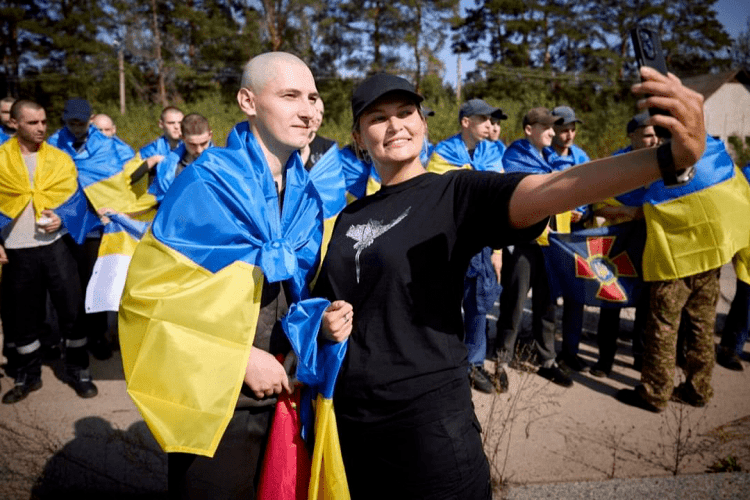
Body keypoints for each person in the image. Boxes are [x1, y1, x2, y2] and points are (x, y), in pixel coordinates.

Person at [313, 69, 706, 499]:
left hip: (428, 428)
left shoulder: (454, 193)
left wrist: (668, 159)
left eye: (406, 112)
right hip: (352, 424)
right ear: (357, 135)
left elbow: (553, 188)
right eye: (377, 118)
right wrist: (327, 320)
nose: (395, 126)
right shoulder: (350, 217)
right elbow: (333, 298)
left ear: (424, 123)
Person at [119, 52, 341, 499]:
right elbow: (149, 299)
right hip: (217, 396)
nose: (308, 110)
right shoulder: (205, 183)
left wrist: (320, 323)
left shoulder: (307, 195)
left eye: (313, 97)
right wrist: (238, 359)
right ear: (248, 100)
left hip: (286, 388)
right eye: (290, 95)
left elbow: (292, 292)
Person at [615, 131, 750, 412]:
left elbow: (647, 203)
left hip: (675, 262)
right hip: (710, 261)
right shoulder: (712, 156)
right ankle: (698, 389)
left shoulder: (666, 163)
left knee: (663, 328)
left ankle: (655, 393)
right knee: (702, 328)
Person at [0, 100, 97, 403]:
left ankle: (78, 370)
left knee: (72, 310)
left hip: (57, 248)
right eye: (32, 123)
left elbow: (78, 200)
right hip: (17, 250)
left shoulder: (60, 159)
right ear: (15, 124)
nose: (41, 128)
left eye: (43, 121)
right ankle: (28, 375)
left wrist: (63, 216)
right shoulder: (1, 160)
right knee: (22, 317)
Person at [48, 99, 144, 361]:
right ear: (64, 119)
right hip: (64, 224)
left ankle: (98, 335)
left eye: (81, 122)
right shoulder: (53, 143)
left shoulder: (109, 145)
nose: (76, 127)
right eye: (71, 122)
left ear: (90, 120)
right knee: (68, 285)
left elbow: (129, 177)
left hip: (98, 226)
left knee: (96, 281)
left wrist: (118, 209)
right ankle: (68, 338)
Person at [427, 98, 507, 393]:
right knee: (445, 305)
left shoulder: (493, 153)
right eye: (483, 119)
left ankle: (474, 364)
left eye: (491, 120)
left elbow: (500, 205)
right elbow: (435, 201)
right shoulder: (443, 153)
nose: (490, 125)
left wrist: (497, 251)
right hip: (449, 243)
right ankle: (443, 361)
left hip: (483, 245)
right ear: (465, 122)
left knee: (478, 306)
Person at [496, 106, 574, 387]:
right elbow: (519, 197)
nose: (553, 133)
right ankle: (502, 360)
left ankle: (547, 360)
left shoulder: (551, 158)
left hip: (551, 245)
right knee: (514, 303)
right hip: (524, 243)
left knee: (547, 304)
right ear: (529, 129)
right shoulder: (514, 157)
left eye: (554, 128)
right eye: (548, 128)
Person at [588, 113, 655, 378]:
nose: (654, 140)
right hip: (618, 244)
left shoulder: (663, 164)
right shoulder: (615, 165)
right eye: (648, 134)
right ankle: (604, 360)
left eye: (656, 134)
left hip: (651, 242)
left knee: (647, 304)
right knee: (612, 300)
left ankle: (640, 357)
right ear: (632, 135)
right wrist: (632, 212)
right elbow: (599, 205)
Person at [542, 105, 592, 373]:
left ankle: (570, 352)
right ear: (554, 130)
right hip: (551, 237)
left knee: (577, 296)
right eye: (564, 129)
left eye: (573, 129)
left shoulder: (581, 156)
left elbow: (592, 188)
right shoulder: (544, 155)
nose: (570, 134)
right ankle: (547, 354)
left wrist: (582, 210)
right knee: (549, 296)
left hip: (576, 237)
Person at [147, 113, 214, 203]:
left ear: (210, 135)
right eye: (192, 145)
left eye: (203, 143)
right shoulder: (168, 167)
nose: (199, 150)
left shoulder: (223, 164)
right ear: (182, 138)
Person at [138, 106, 184, 173]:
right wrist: (153, 160)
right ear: (161, 124)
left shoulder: (191, 146)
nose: (177, 127)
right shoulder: (152, 149)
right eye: (171, 123)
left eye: (180, 123)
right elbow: (129, 176)